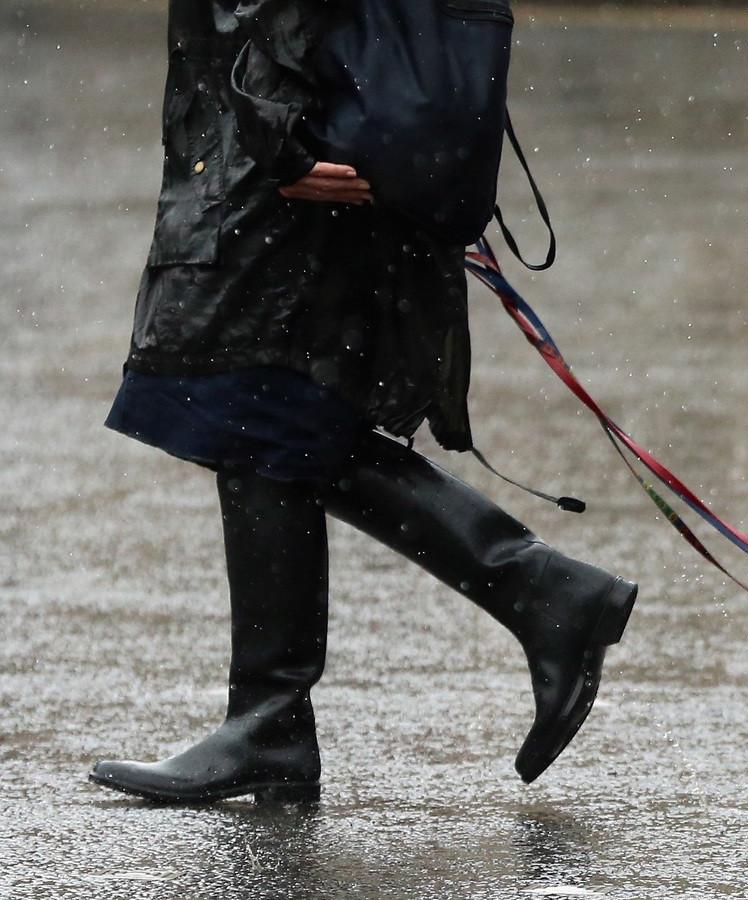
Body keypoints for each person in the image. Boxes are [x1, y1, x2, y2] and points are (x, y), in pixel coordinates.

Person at [89, 0, 636, 803]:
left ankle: (532, 597)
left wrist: (276, 132)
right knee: (268, 416)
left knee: (254, 402)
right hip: (295, 132)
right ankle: (280, 714)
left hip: (298, 154)